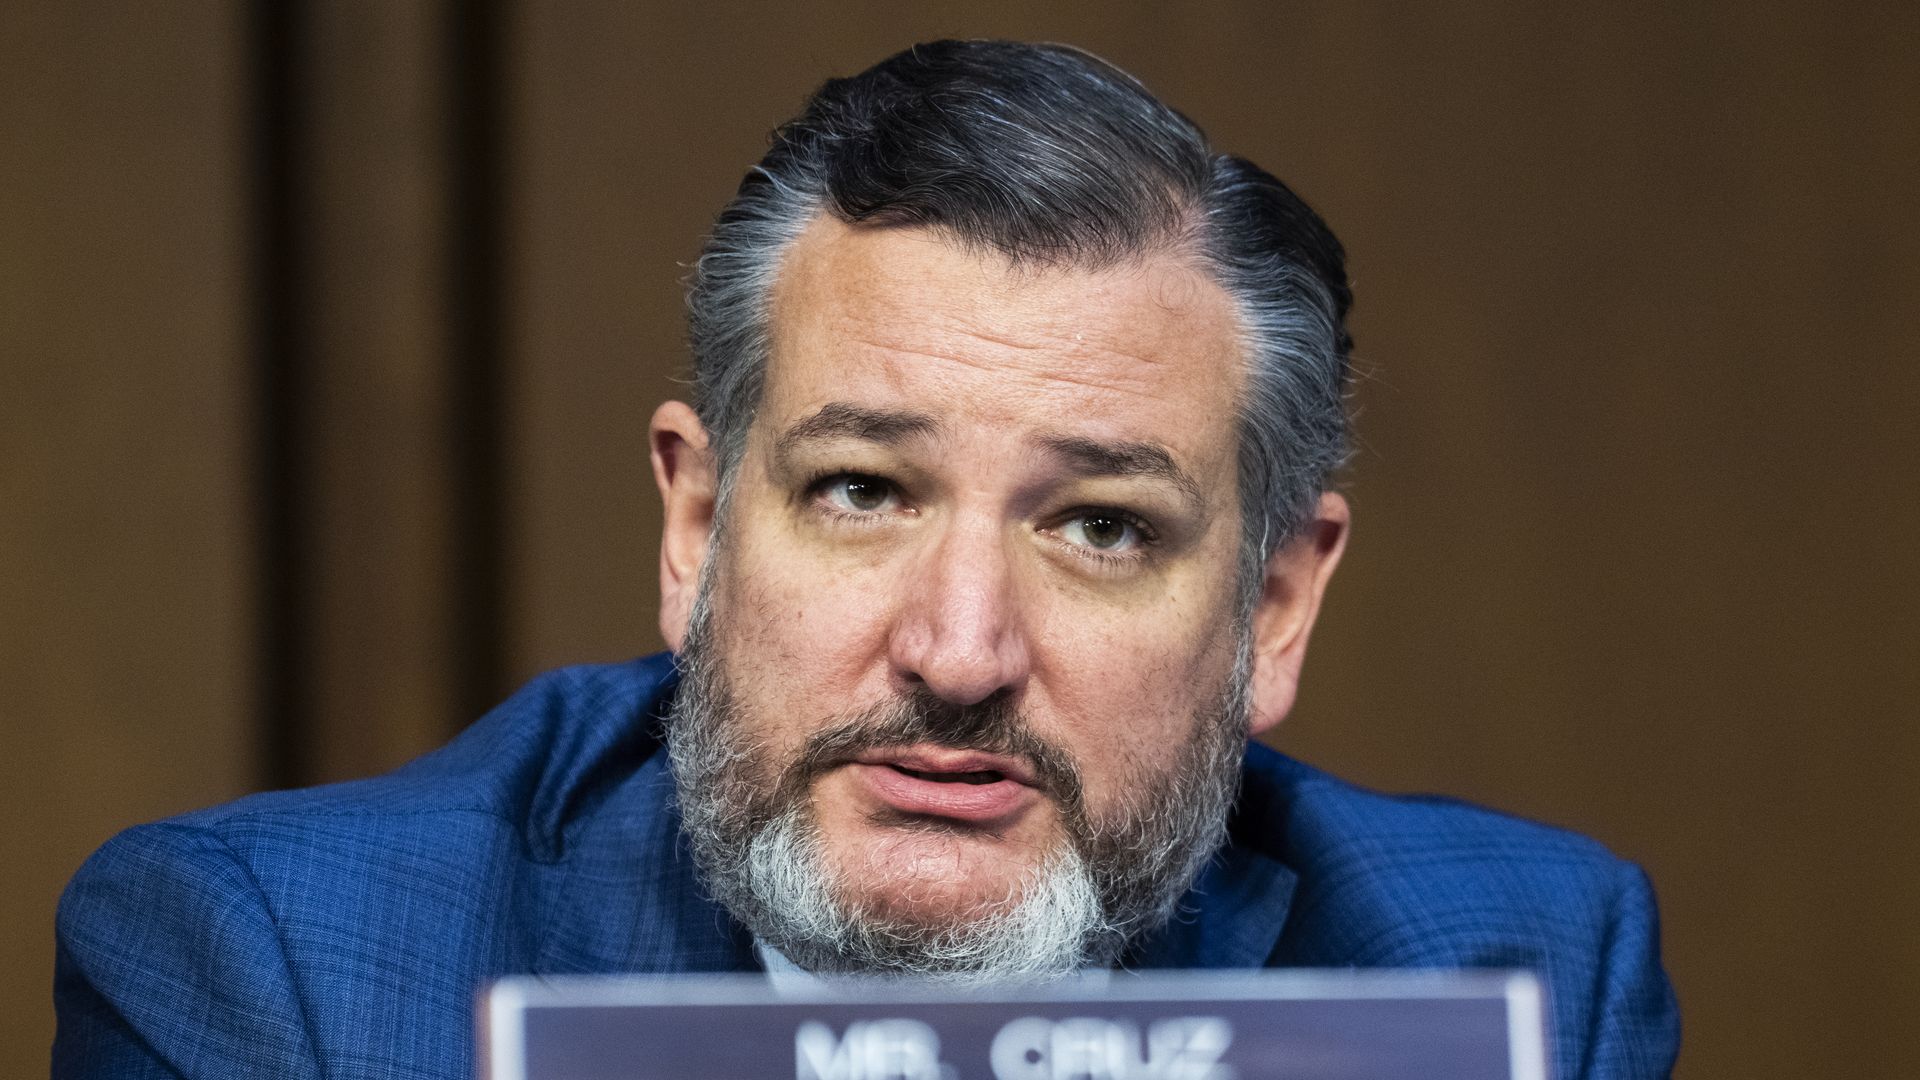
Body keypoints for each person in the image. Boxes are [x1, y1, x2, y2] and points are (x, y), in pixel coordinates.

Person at [53, 39, 1679, 1079]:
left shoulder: (1521, 972)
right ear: (696, 527)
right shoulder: (290, 984)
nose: (961, 651)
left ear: (1271, 606)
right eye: (860, 493)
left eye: (1100, 527)